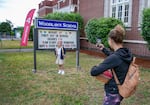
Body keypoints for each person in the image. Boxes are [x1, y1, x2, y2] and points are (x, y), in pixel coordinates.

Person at [90, 25, 133, 105]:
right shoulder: (126, 53)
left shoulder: (115, 58)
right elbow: (115, 56)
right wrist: (103, 49)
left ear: (111, 40)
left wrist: (95, 67)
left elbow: (94, 72)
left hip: (113, 92)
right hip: (121, 88)